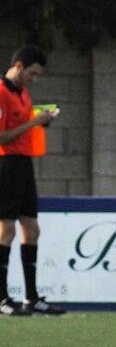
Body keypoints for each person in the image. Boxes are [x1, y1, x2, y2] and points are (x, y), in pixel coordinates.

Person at [0, 45, 66, 316]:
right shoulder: (2, 93)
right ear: (19, 66)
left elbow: (23, 123)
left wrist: (42, 120)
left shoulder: (22, 93)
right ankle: (3, 299)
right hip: (6, 164)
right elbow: (2, 137)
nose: (34, 80)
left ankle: (31, 297)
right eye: (32, 74)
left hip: (24, 164)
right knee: (6, 230)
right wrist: (33, 122)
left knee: (32, 228)